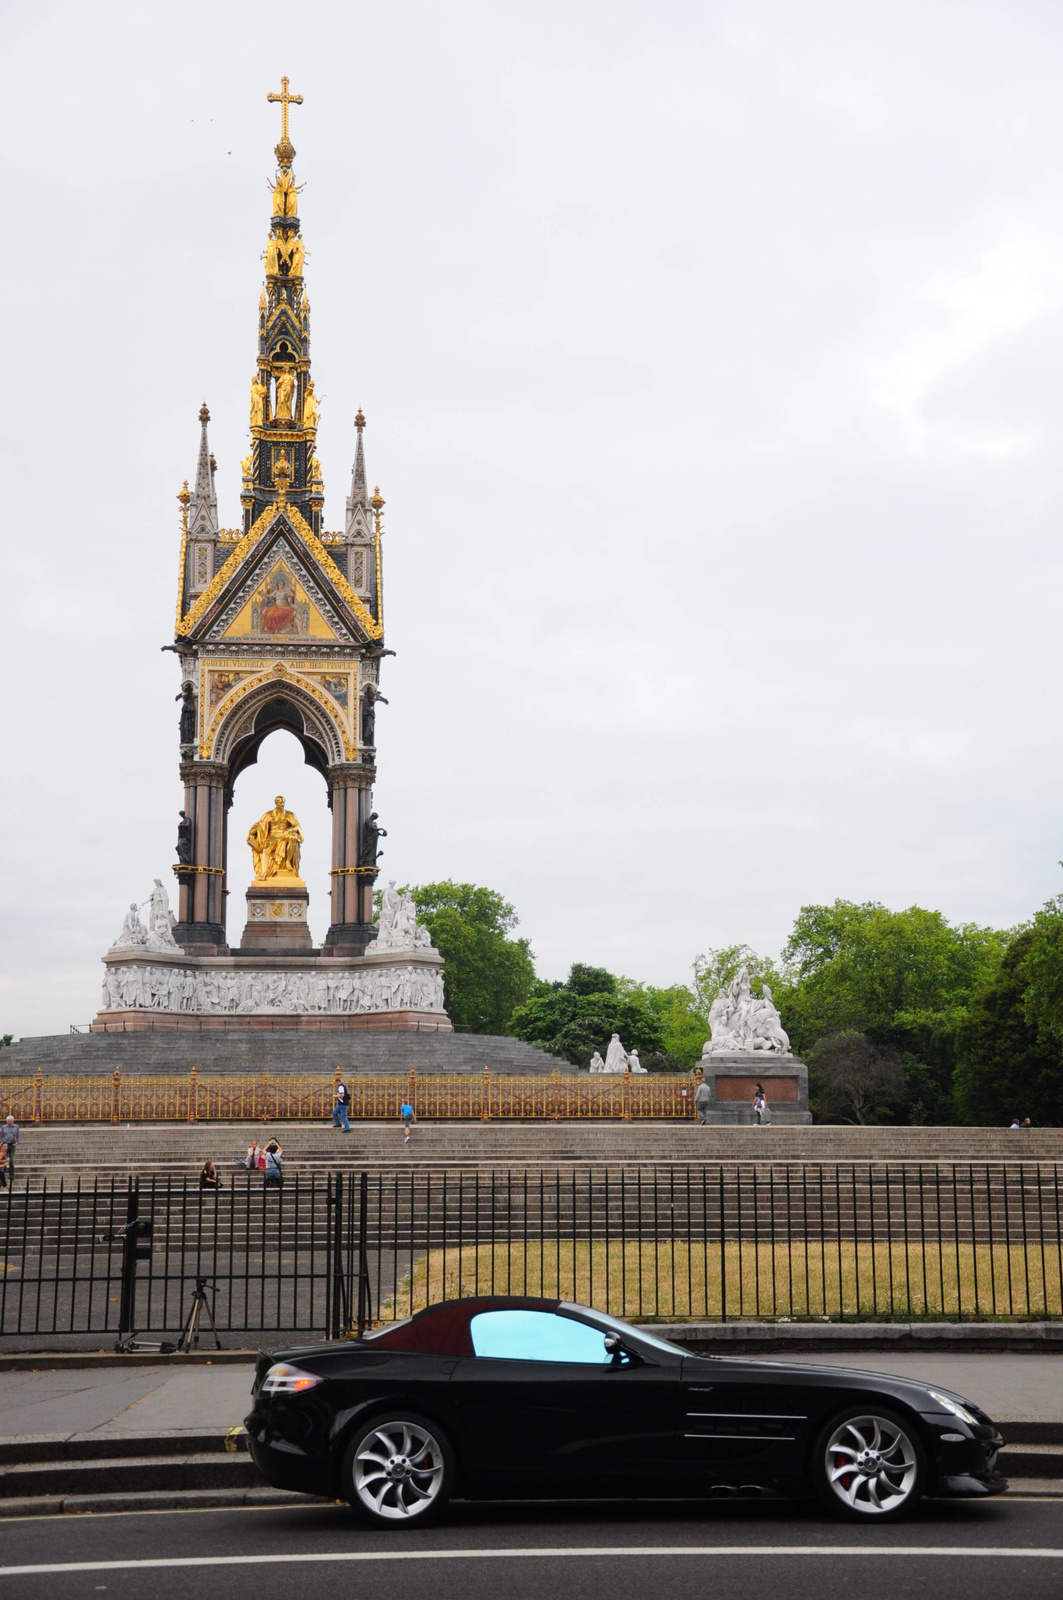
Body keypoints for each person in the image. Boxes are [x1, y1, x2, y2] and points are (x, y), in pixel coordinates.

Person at [1, 1117, 18, 1187]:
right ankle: (2, 1173)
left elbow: (17, 1135)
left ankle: (12, 1175)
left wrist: (17, 1142)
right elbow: (1, 1135)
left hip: (12, 1144)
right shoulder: (3, 1127)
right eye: (8, 1121)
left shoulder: (16, 1127)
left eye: (10, 1121)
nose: (9, 1123)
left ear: (13, 1121)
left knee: (12, 1160)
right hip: (4, 1144)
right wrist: (1, 1142)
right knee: (3, 1159)